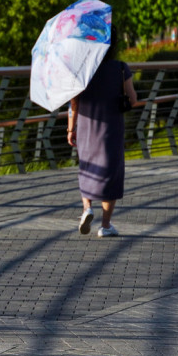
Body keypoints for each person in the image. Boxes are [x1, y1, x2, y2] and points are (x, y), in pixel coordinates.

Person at [66, 43, 138, 237]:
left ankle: (87, 208)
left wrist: (71, 128)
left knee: (87, 168)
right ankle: (105, 225)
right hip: (111, 128)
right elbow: (133, 99)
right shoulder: (121, 68)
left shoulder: (83, 69)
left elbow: (74, 102)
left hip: (86, 127)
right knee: (111, 173)